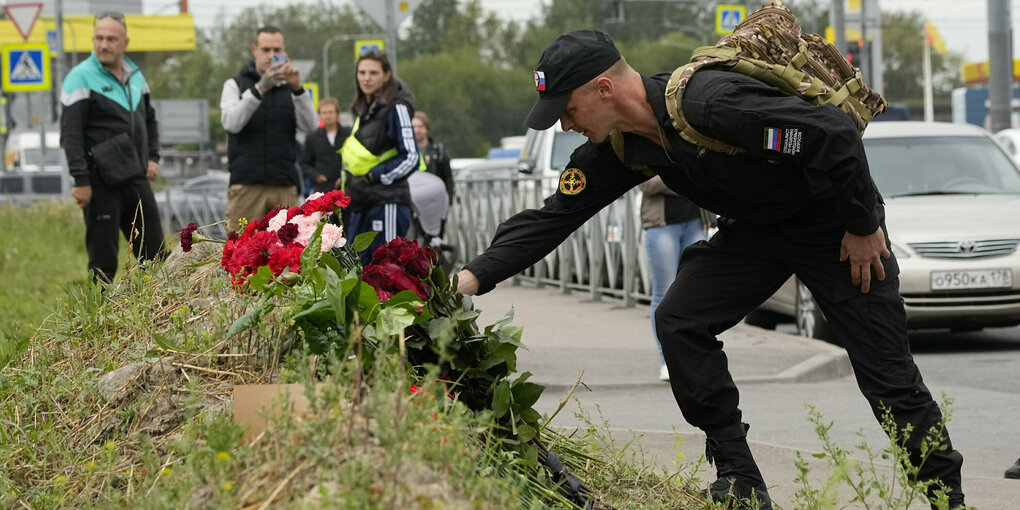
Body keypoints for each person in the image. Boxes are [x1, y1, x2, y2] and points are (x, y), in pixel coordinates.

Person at [455, 30, 965, 510]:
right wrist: (471, 279)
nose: (565, 125)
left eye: (567, 110)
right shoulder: (619, 148)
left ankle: (949, 498)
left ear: (603, 88)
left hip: (835, 229)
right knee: (680, 319)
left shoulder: (708, 102)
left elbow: (831, 133)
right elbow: (553, 217)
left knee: (888, 378)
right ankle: (739, 478)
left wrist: (860, 223)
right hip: (758, 233)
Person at [60, 12, 164, 283]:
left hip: (136, 177)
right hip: (99, 183)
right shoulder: (79, 77)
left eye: (111, 39)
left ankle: (161, 318)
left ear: (125, 42)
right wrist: (81, 181)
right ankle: (97, 322)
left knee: (156, 256)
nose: (103, 44)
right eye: (99, 38)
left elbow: (149, 120)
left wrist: (153, 156)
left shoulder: (136, 76)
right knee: (103, 263)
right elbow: (71, 136)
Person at [220, 26, 318, 231]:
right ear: (254, 50)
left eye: (277, 50)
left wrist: (298, 89)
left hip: (284, 185)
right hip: (246, 186)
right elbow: (231, 123)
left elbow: (310, 126)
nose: (271, 56)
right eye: (266, 50)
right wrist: (259, 89)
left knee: (290, 254)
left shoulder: (291, 89)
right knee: (239, 252)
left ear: (284, 53)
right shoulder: (235, 84)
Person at [339, 50, 420, 265]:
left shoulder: (397, 107)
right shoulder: (362, 110)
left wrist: (375, 176)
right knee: (358, 271)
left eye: (373, 72)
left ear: (387, 75)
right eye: (362, 72)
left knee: (388, 271)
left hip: (388, 203)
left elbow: (411, 157)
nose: (366, 78)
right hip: (360, 203)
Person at [639, 175, 707, 381]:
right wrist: (684, 177)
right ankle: (667, 361)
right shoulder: (646, 142)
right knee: (664, 294)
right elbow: (647, 184)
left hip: (696, 222)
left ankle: (693, 359)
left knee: (696, 295)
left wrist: (671, 177)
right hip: (662, 226)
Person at [300, 97, 349, 195]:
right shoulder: (312, 138)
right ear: (320, 115)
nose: (327, 116)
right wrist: (316, 176)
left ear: (337, 114)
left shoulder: (348, 135)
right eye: (324, 113)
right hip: (322, 189)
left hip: (346, 188)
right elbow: (304, 164)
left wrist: (347, 176)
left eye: (331, 112)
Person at [412, 112, 454, 204]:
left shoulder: (438, 152)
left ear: (427, 129)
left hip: (434, 202)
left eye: (420, 127)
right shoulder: (405, 153)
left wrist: (448, 202)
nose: (417, 130)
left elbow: (448, 179)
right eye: (414, 127)